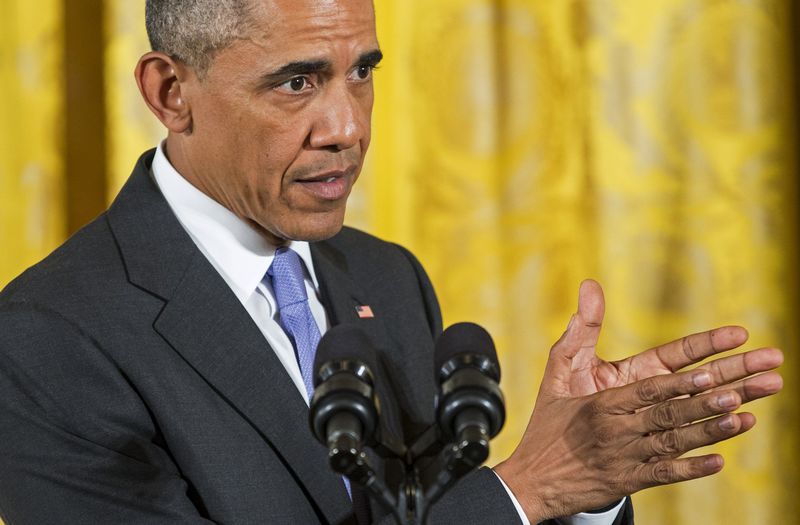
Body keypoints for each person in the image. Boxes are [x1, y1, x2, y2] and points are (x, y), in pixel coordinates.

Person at [0, 0, 783, 524]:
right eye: (297, 81)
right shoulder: (47, 337)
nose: (347, 126)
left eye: (362, 72)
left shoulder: (385, 279)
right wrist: (526, 487)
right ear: (172, 91)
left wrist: (582, 494)